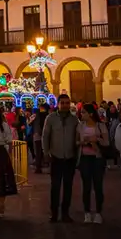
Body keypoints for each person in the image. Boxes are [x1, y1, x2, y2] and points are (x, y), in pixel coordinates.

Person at [42, 94, 79, 222]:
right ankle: (54, 213)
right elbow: (45, 136)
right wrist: (46, 152)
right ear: (58, 104)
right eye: (62, 103)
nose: (65, 105)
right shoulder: (51, 118)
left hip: (70, 158)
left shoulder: (74, 120)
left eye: (67, 103)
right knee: (55, 187)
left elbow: (78, 136)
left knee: (68, 187)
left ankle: (65, 213)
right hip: (56, 157)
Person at [76, 103, 109, 224]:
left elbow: (107, 142)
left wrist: (96, 140)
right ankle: (87, 212)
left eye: (83, 112)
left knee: (98, 186)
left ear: (90, 113)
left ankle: (99, 212)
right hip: (85, 158)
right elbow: (76, 141)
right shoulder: (80, 126)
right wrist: (83, 142)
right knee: (86, 186)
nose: (81, 114)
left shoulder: (100, 126)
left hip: (97, 158)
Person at [33, 103, 50, 174]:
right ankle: (44, 165)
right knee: (45, 150)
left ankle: (39, 167)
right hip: (43, 135)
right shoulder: (47, 115)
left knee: (38, 151)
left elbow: (30, 123)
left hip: (38, 135)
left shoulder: (36, 114)